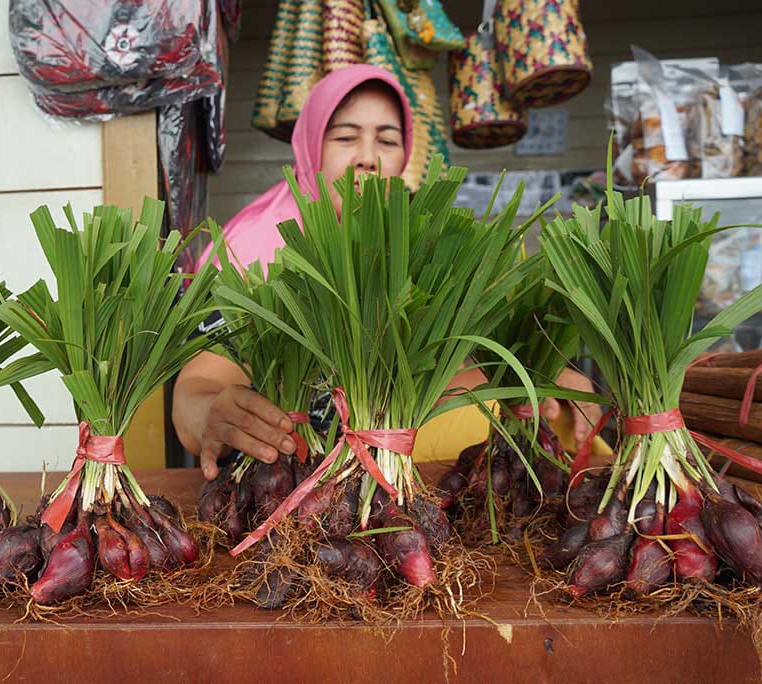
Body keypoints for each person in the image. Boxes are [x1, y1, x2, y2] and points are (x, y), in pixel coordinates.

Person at [173, 65, 601, 481]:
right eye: (344, 137)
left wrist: (533, 376)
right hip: (280, 482)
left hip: (391, 478)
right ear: (308, 148)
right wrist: (212, 413)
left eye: (388, 140)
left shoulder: (417, 249)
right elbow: (197, 390)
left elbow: (442, 375)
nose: (368, 159)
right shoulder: (250, 251)